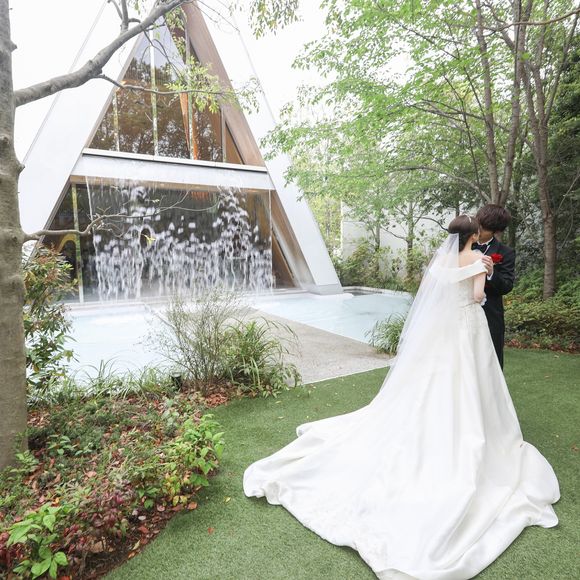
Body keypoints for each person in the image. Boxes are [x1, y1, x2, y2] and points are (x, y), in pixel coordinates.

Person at [243, 215, 559, 580]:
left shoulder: (440, 262)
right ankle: (469, 429)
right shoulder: (478, 259)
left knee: (435, 380)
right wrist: (484, 278)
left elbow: (436, 296)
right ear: (474, 235)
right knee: (473, 380)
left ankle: (434, 422)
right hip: (469, 327)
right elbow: (476, 297)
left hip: (443, 334)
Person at [473, 204, 516, 368]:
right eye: (478, 224)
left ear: (495, 231)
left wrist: (492, 273)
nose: (478, 230)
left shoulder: (506, 252)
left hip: (490, 315)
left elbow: (507, 286)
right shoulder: (462, 246)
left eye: (484, 228)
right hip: (462, 312)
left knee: (491, 362)